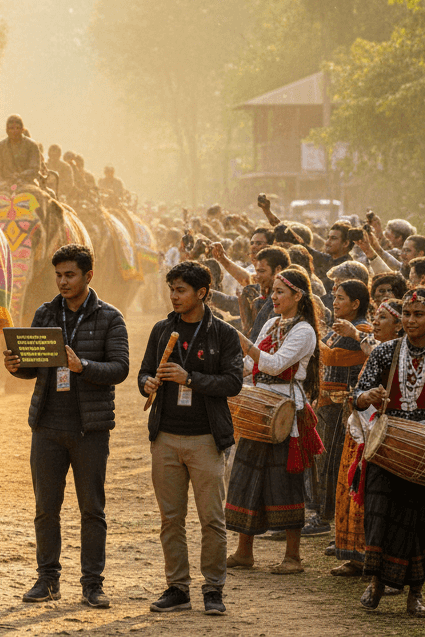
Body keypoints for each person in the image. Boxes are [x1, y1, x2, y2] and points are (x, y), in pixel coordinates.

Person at [3, 243, 130, 609]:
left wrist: (83, 367)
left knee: (92, 508)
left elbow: (120, 369)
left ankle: (92, 584)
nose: (62, 281)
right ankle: (48, 580)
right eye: (58, 275)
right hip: (47, 427)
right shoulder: (44, 313)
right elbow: (34, 367)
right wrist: (17, 366)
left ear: (88, 276)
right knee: (46, 507)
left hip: (90, 429)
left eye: (69, 275)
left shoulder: (110, 318)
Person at [352, 288, 425, 616]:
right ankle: (376, 582)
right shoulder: (385, 352)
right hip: (388, 442)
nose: (410, 320)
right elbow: (359, 393)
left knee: (422, 522)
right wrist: (365, 397)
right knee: (380, 514)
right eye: (406, 313)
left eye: (419, 314)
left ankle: (415, 593)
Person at [136, 261, 242, 616]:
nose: (174, 296)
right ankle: (177, 588)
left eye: (181, 290)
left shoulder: (223, 334)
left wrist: (190, 379)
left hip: (206, 440)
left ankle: (213, 588)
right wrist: (147, 384)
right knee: (171, 518)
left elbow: (233, 383)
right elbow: (144, 371)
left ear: (202, 293)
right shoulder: (161, 329)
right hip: (165, 436)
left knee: (212, 519)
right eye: (172, 290)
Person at [227, 266, 323, 575]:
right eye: (274, 292)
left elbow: (275, 363)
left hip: (285, 412)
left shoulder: (305, 331)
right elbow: (249, 366)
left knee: (284, 481)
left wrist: (245, 342)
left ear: (298, 295)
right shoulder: (271, 323)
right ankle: (244, 552)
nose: (273, 297)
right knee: (247, 476)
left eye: (280, 292)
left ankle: (292, 556)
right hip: (259, 409)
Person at [331, 297, 402, 575]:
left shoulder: (393, 352)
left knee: (371, 496)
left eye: (383, 318)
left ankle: (374, 559)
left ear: (399, 326)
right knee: (352, 490)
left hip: (380, 434)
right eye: (375, 316)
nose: (375, 321)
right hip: (359, 428)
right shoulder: (377, 350)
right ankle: (355, 556)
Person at [312, 280, 371, 533]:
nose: (334, 302)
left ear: (356, 304)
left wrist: (311, 337)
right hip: (328, 403)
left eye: (340, 298)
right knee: (325, 461)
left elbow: (332, 357)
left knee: (334, 462)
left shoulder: (361, 328)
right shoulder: (341, 328)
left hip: (343, 405)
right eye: (334, 297)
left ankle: (326, 518)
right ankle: (324, 515)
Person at [0, 115, 43, 189]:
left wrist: (20, 176)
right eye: (11, 128)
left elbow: (35, 168)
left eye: (17, 128)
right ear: (7, 130)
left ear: (22, 130)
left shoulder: (32, 145)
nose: (14, 131)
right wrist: (0, 182)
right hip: (4, 184)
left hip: (28, 183)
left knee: (41, 197)